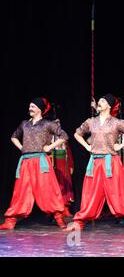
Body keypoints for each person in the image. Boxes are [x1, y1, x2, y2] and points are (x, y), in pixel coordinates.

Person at [64, 94, 124, 231]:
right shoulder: (91, 121)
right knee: (90, 193)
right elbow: (77, 134)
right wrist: (87, 147)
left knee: (117, 191)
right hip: (95, 161)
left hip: (111, 161)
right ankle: (79, 222)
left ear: (109, 106)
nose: (99, 102)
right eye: (99, 101)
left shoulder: (117, 122)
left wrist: (121, 145)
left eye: (103, 101)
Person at [0, 98, 68, 230]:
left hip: (41, 161)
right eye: (30, 106)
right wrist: (22, 148)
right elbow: (14, 136)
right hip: (26, 161)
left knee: (48, 190)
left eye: (33, 106)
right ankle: (10, 221)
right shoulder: (24, 124)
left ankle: (59, 217)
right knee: (21, 191)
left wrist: (50, 147)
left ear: (40, 109)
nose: (30, 108)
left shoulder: (48, 124)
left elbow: (64, 136)